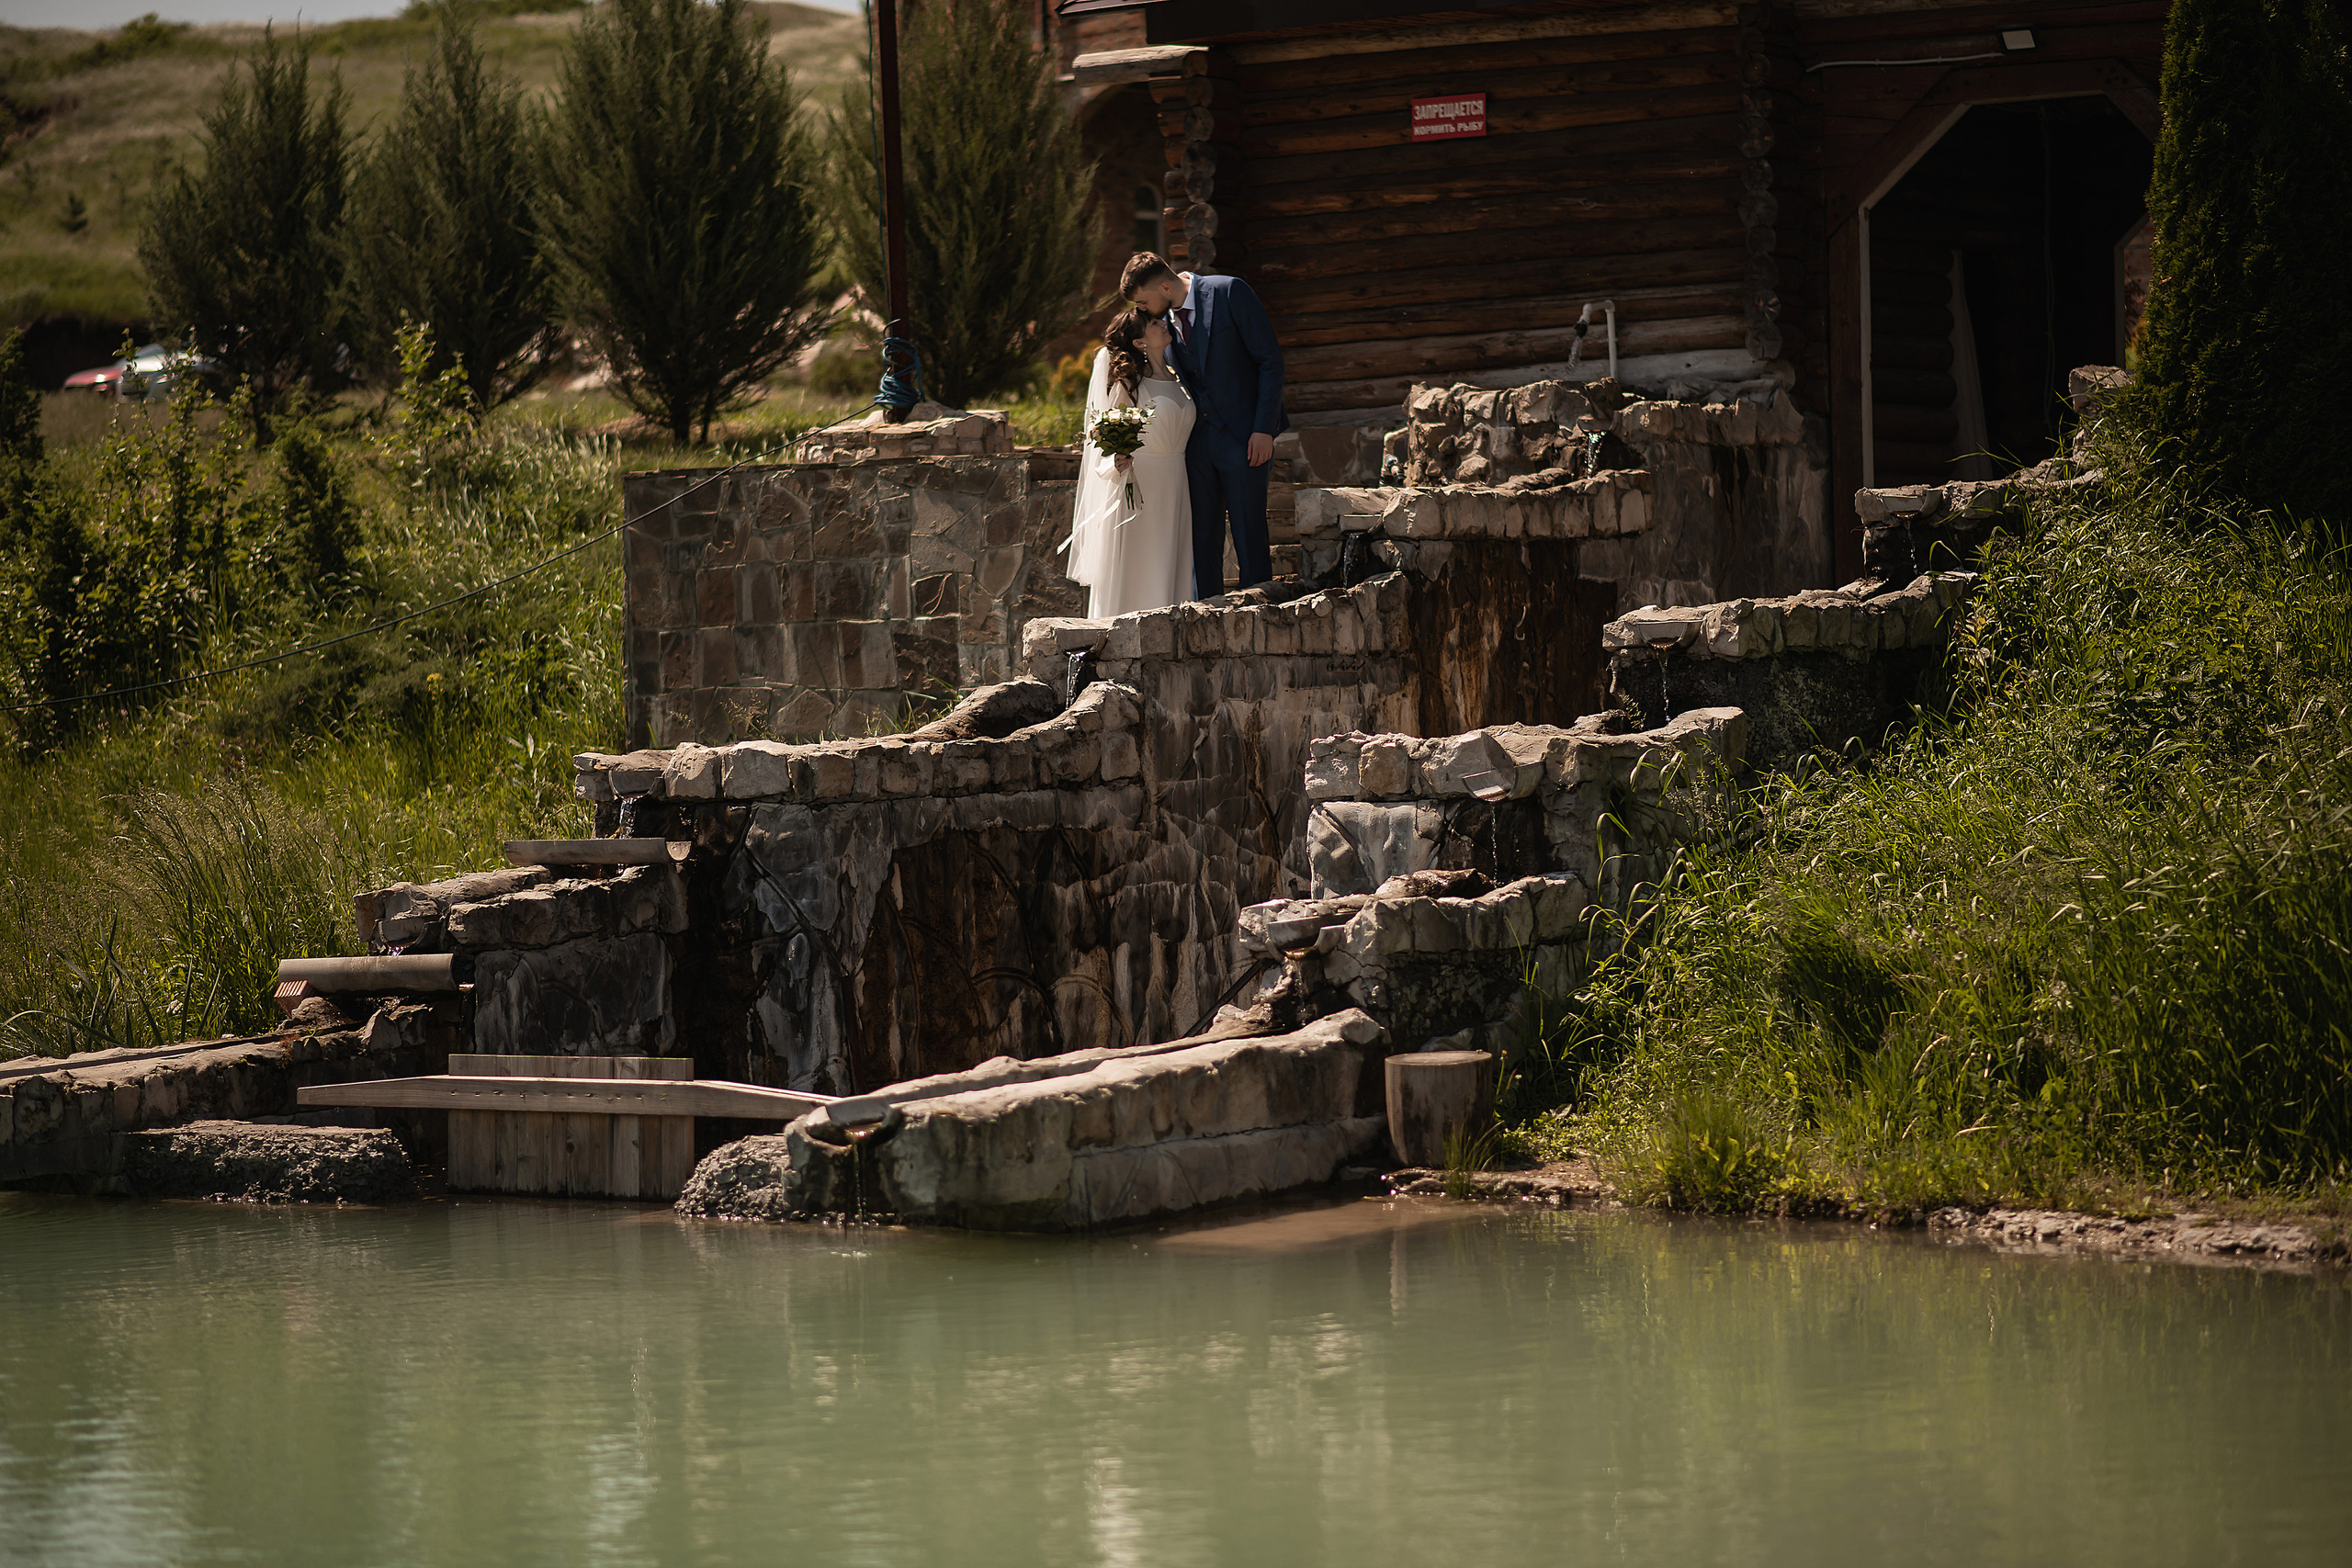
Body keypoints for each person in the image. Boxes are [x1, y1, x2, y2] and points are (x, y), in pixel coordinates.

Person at [1119, 253, 1286, 600]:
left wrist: (1264, 429)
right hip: (1195, 445)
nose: (1143, 310)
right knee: (1200, 540)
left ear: (1165, 288)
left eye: (1144, 302)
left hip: (1245, 439)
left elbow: (1270, 361)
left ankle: (1258, 613)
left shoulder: (1229, 291)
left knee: (1249, 533)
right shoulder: (1163, 325)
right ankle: (1207, 613)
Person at [1063, 308, 1195, 619]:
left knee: (1171, 566)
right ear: (1139, 342)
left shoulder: (1180, 377)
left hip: (1177, 483)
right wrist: (1115, 463)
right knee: (1142, 569)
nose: (1163, 324)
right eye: (1154, 323)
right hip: (1141, 488)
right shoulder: (1130, 385)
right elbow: (1101, 441)